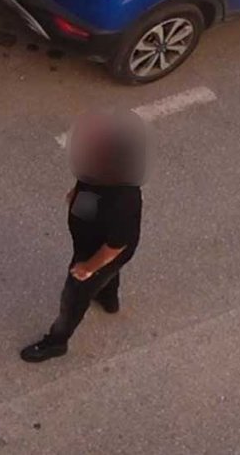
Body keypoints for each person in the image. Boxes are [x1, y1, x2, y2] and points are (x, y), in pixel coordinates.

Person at [21, 109, 148, 363]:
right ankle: (108, 298)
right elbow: (87, 182)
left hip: (96, 251)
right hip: (92, 236)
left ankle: (57, 341)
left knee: (74, 297)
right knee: (109, 273)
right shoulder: (106, 173)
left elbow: (114, 246)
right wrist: (76, 194)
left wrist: (87, 268)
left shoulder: (121, 201)